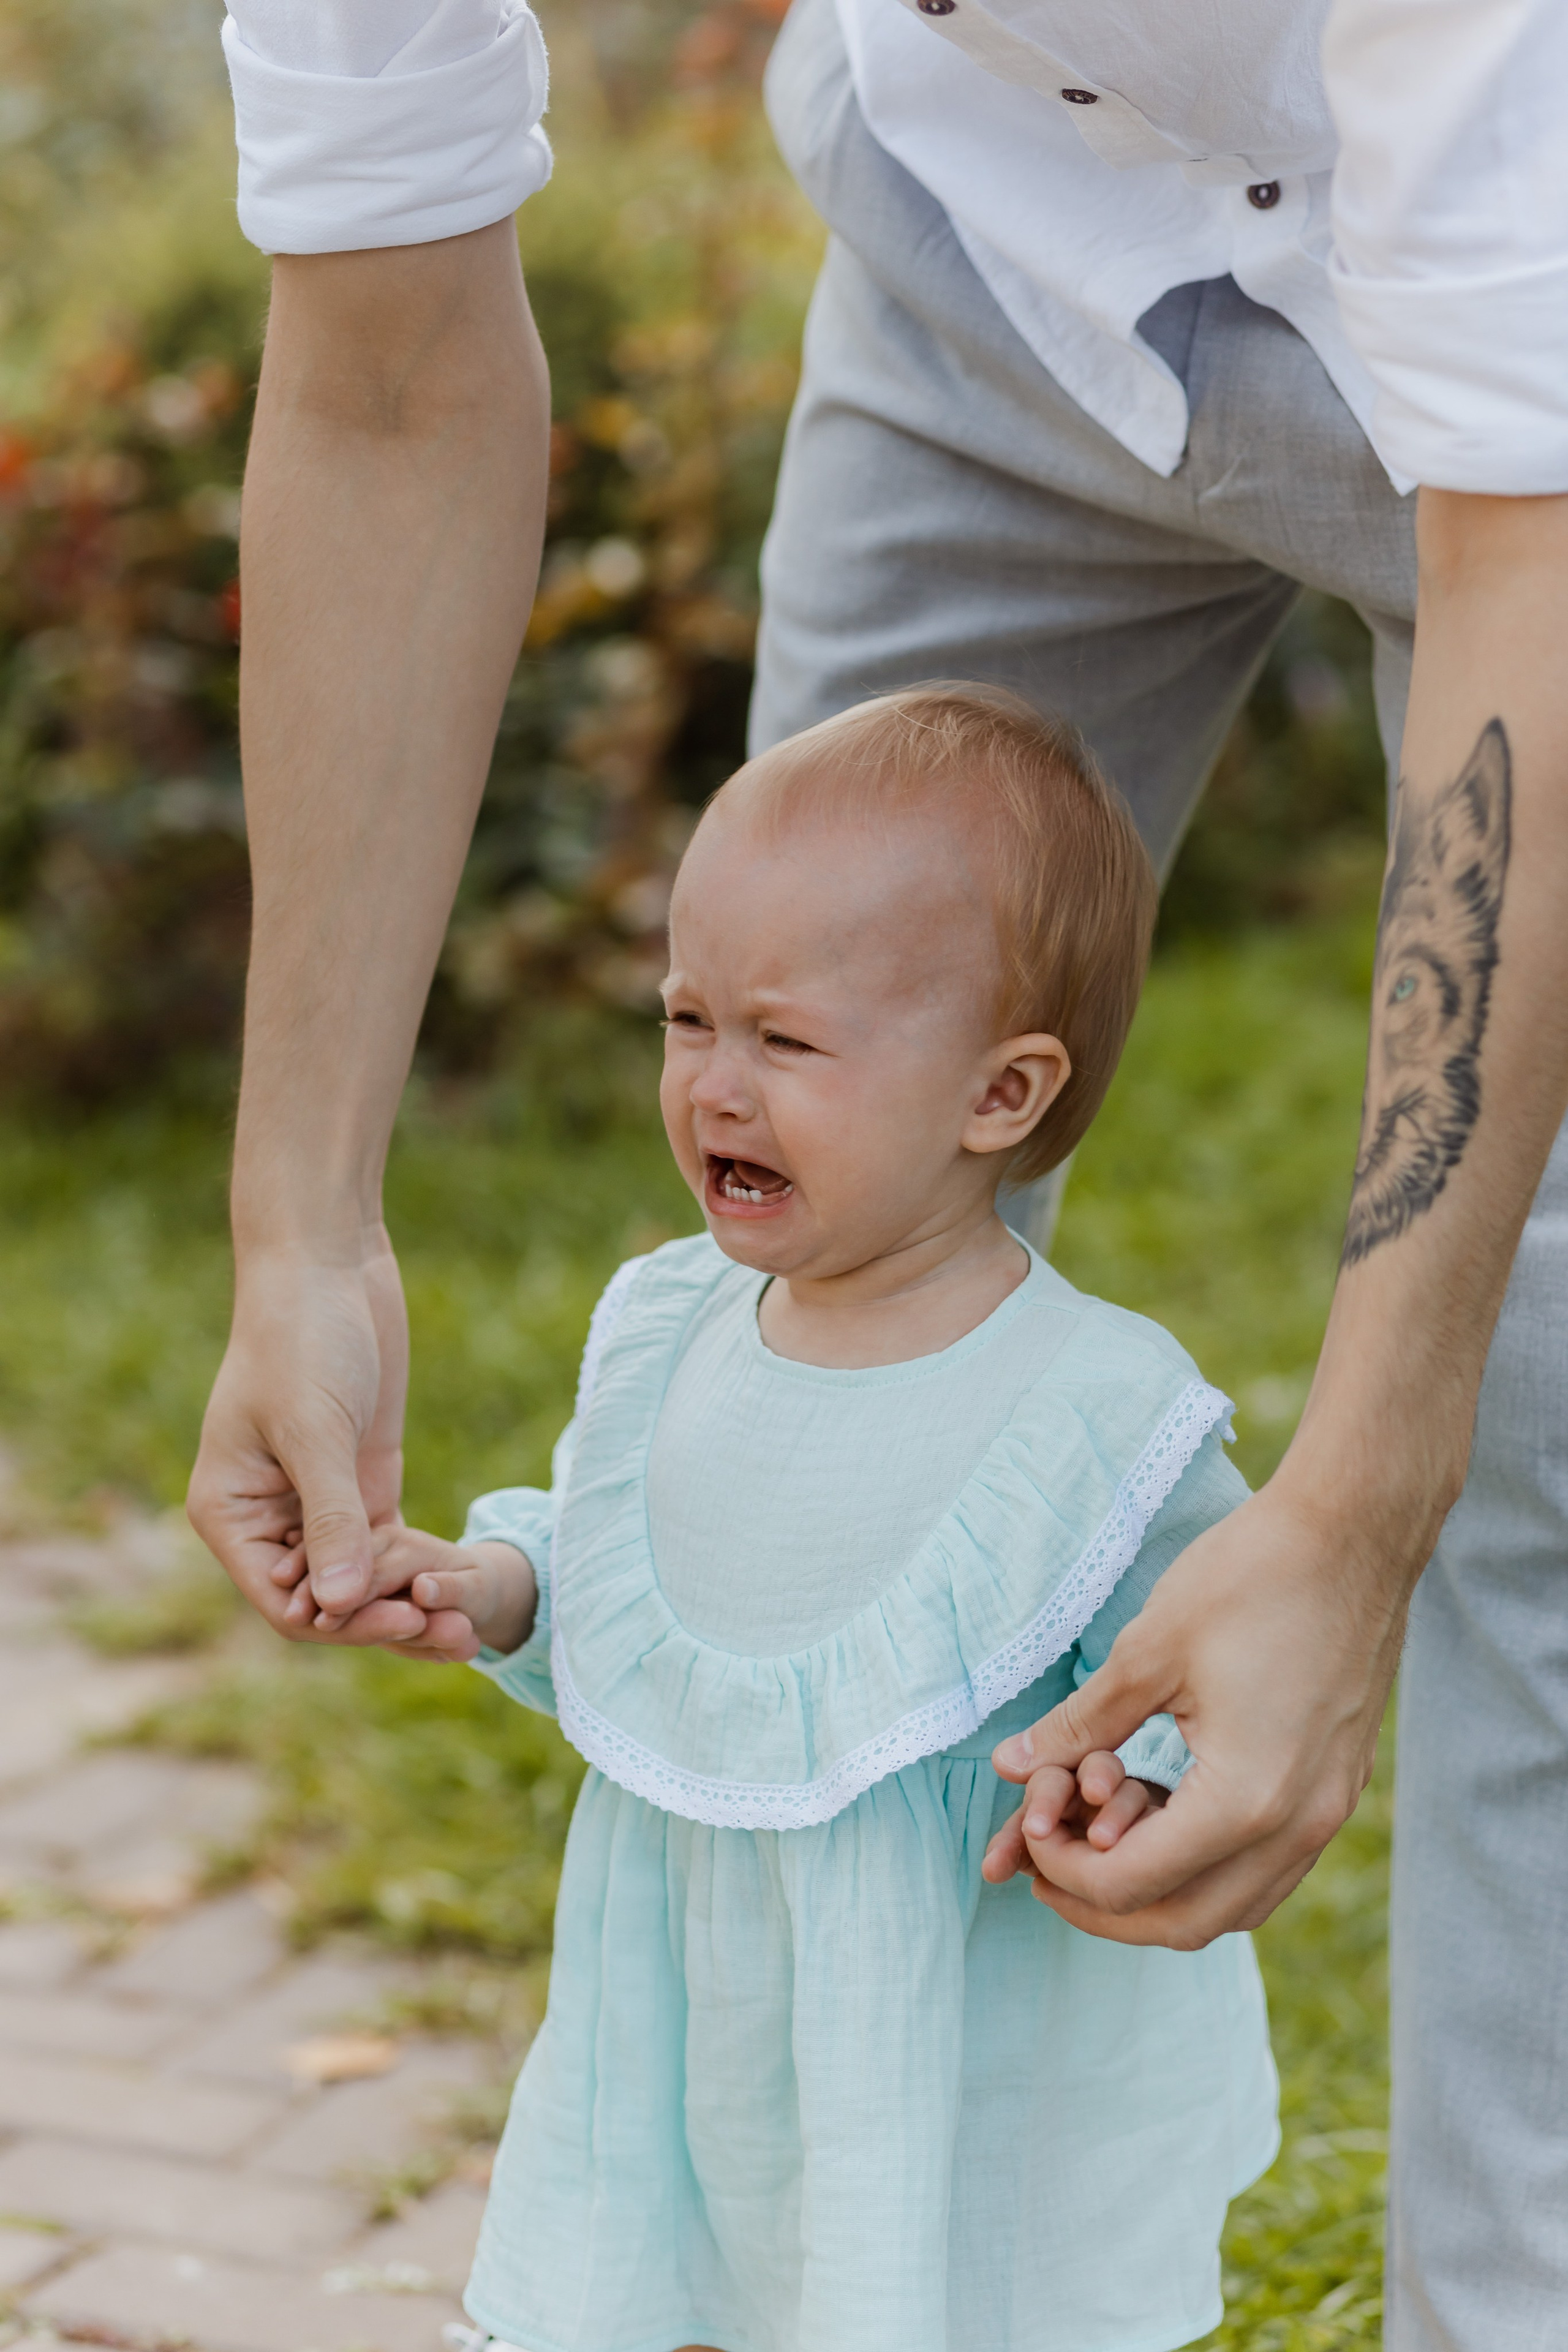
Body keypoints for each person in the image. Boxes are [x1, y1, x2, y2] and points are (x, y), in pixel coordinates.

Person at [189, 6, 1568, 2346]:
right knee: (824, 1223)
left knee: (1535, 1444)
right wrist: (298, 1223)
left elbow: (1537, 550)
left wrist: (1348, 1506)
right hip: (993, 265)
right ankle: (843, 2251)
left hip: (1524, 394)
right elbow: (389, 359)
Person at [301, 685, 1280, 2352]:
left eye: (790, 1041)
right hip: (691, 2010)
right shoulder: (671, 1322)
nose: (716, 1090)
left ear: (1000, 1094)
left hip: (951, 2026)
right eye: (689, 1022)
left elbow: (1222, 1637)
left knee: (933, 2291)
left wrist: (1145, 1772)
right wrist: (498, 1582)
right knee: (683, 2268)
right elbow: (647, 1558)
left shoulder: (1091, 1405)